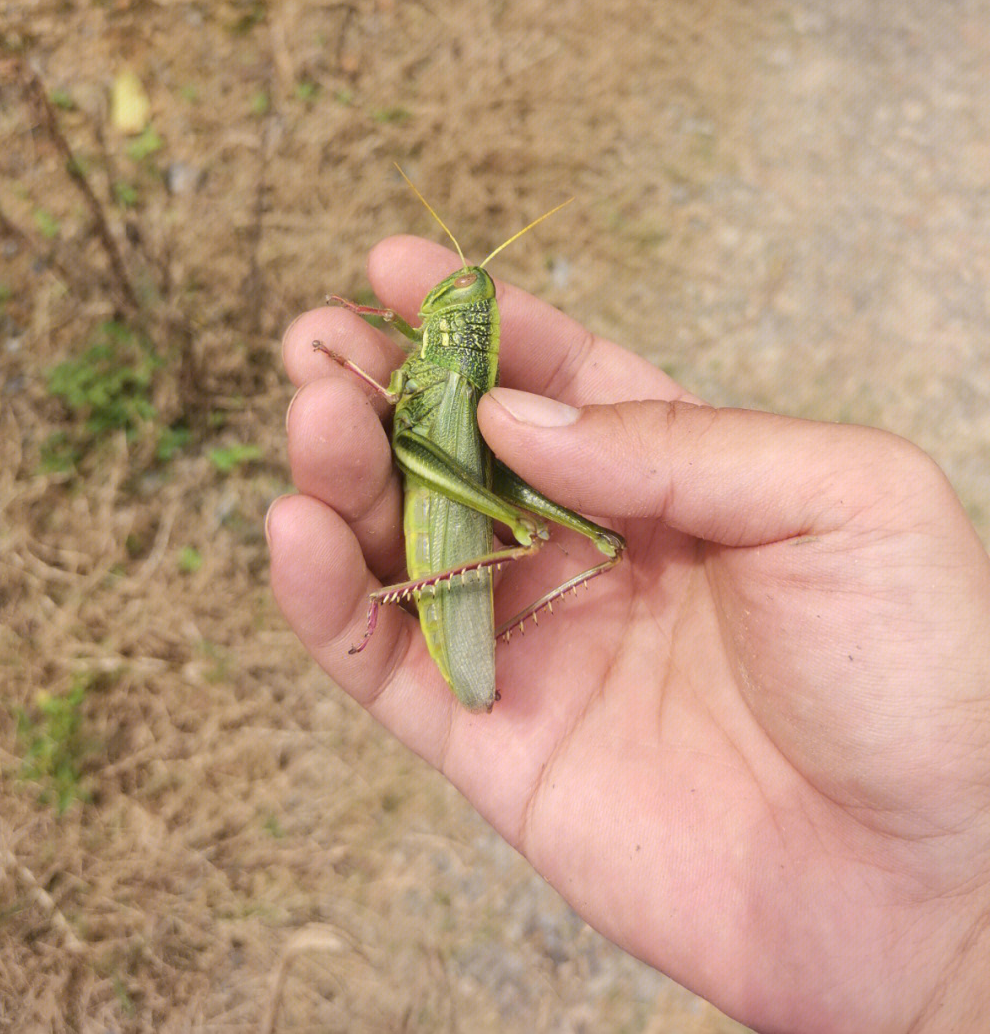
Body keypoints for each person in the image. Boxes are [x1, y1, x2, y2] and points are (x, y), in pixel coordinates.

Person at [267, 234, 990, 1033]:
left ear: (455, 324)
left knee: (412, 428)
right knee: (411, 425)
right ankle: (435, 589)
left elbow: (412, 404)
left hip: (450, 487)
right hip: (451, 476)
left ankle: (412, 593)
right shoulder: (447, 350)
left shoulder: (453, 360)